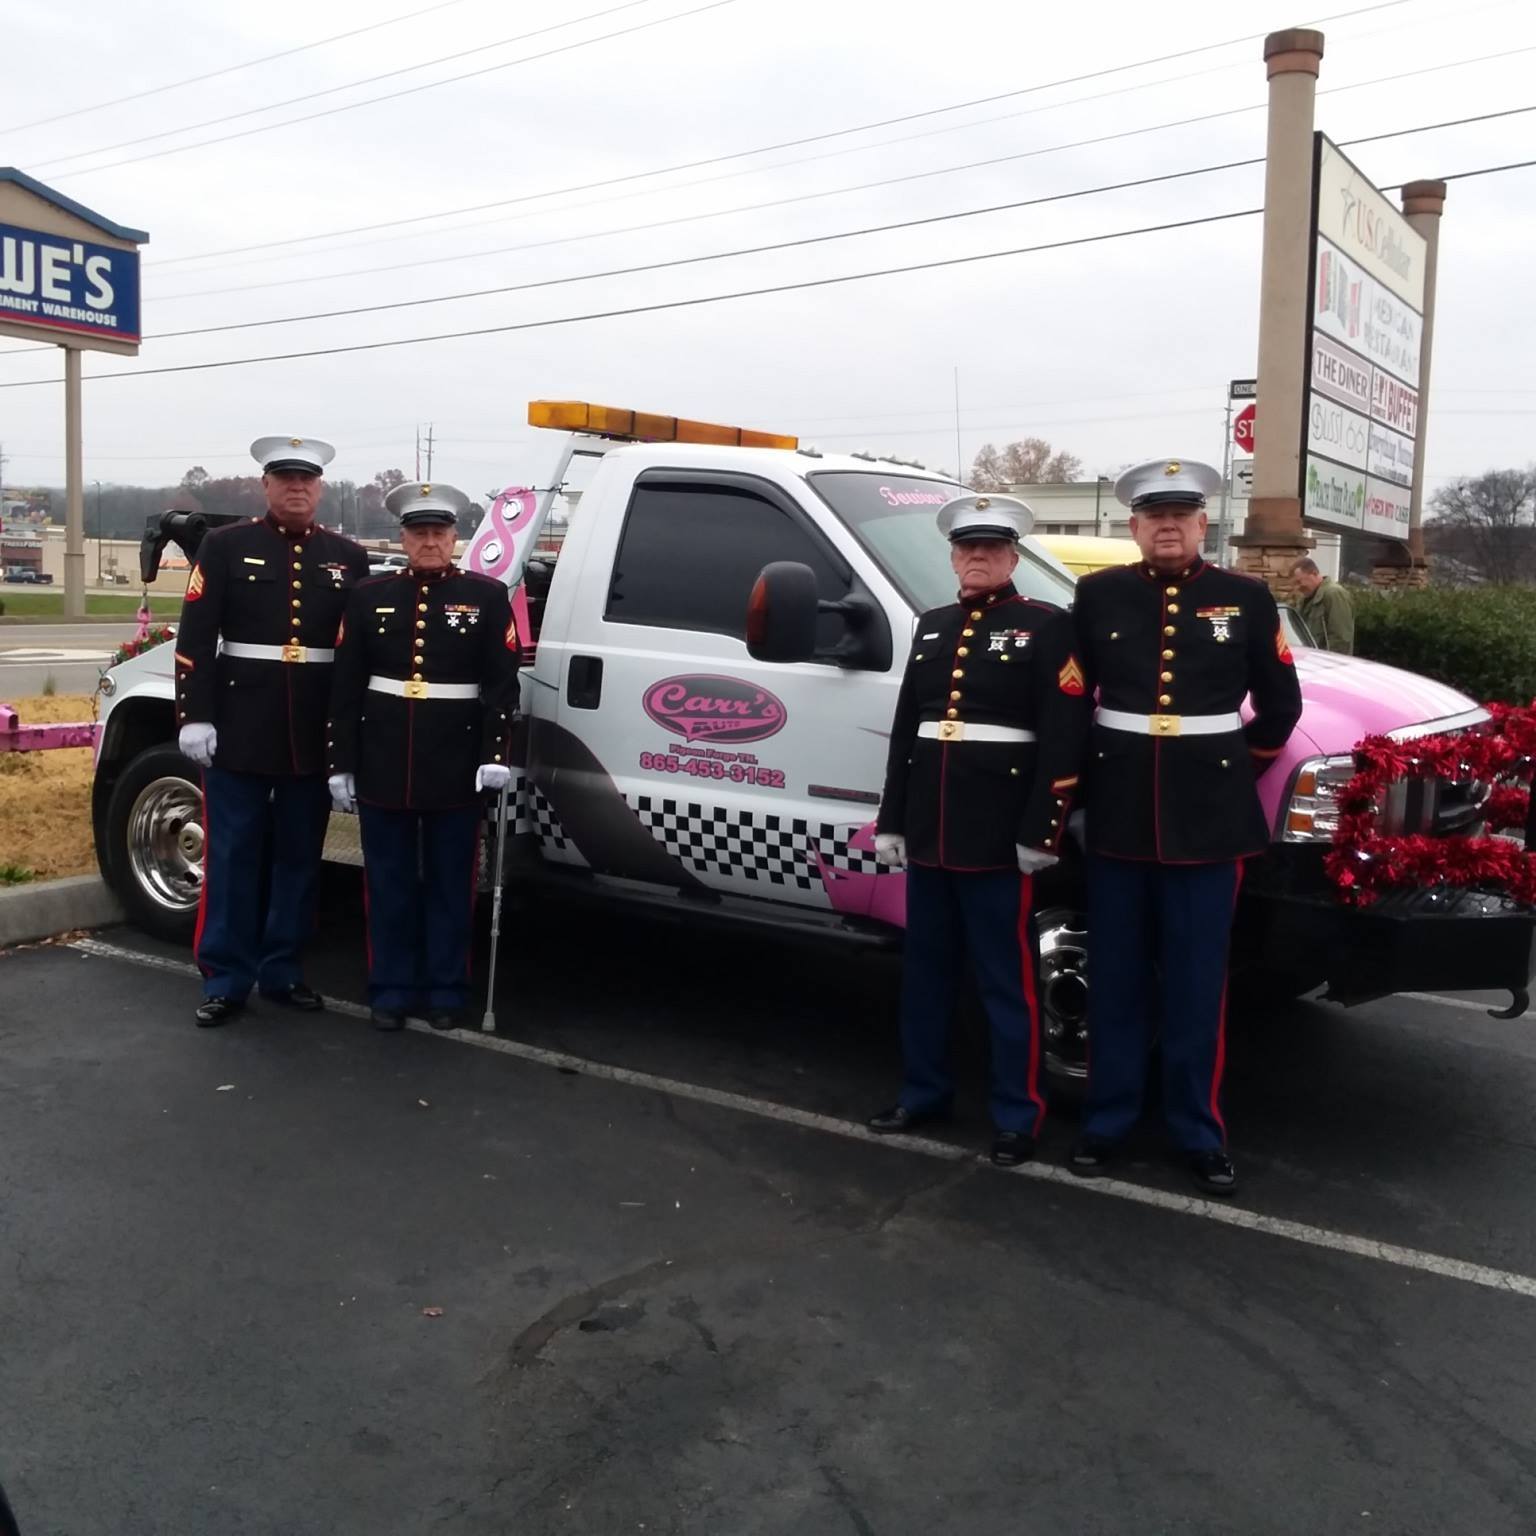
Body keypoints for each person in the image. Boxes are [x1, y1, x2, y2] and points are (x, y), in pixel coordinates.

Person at [1066, 459, 1303, 1196]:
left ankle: (1197, 1131)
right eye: (1152, 516)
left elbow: (1281, 706)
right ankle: (1106, 1121)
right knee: (1117, 980)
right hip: (1119, 817)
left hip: (1209, 824)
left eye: (1182, 515)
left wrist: (1236, 767)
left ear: (1205, 525)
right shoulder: (1096, 594)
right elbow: (1073, 700)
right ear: (1132, 527)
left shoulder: (1246, 597)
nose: (1167, 526)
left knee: (1199, 987)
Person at [867, 493, 1084, 1166]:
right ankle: (924, 1091)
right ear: (954, 556)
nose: (978, 559)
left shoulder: (1048, 626)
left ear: (1013, 556)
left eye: (991, 549)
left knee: (1004, 982)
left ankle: (1017, 1115)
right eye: (967, 549)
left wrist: (1040, 831)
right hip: (931, 835)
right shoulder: (930, 626)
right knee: (925, 975)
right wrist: (893, 820)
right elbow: (908, 733)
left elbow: (1063, 737)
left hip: (997, 840)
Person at [174, 436, 369, 1027]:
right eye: (284, 477)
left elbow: (357, 654)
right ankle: (226, 977)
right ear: (265, 485)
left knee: (297, 858)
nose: (296, 487)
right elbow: (195, 634)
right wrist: (194, 714)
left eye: (306, 479)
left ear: (321, 488)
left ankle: (283, 968)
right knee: (232, 857)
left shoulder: (347, 556)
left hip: (311, 733)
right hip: (240, 729)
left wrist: (349, 741)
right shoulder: (226, 545)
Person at [326, 482, 521, 1031]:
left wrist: (495, 752)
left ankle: (444, 989)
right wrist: (340, 761)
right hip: (384, 758)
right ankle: (389, 988)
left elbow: (502, 685)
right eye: (419, 533)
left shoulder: (486, 597)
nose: (429, 542)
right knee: (387, 882)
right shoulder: (368, 596)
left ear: (455, 537)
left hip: (455, 762)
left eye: (439, 532)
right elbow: (346, 684)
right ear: (405, 539)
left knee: (449, 884)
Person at [1291, 557, 1354, 653]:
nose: (1297, 587)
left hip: (1328, 663)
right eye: (1295, 584)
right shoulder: (1306, 600)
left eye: (1299, 582)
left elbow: (1341, 638)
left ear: (1314, 573)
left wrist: (1331, 663)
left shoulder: (1334, 594)